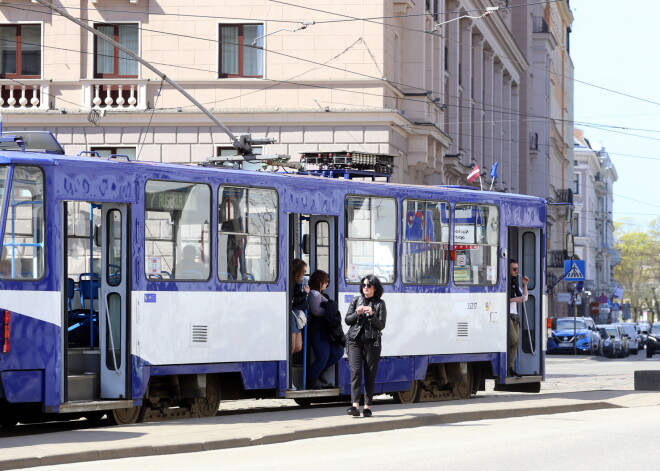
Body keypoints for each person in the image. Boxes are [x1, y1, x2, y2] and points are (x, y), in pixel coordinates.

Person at [344, 274, 386, 417]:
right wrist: (357, 313)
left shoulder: (380, 304)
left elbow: (381, 325)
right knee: (355, 372)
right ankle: (355, 406)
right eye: (364, 285)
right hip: (354, 341)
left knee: (370, 374)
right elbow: (348, 320)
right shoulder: (356, 301)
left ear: (375, 288)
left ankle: (367, 407)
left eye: (369, 285)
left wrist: (371, 315)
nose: (365, 288)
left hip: (372, 342)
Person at [307, 270, 344, 389]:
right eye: (325, 281)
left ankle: (319, 372)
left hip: (326, 331)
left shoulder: (320, 294)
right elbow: (316, 311)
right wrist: (331, 313)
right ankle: (311, 379)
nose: (327, 284)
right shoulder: (314, 294)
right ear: (319, 281)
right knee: (323, 357)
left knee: (338, 352)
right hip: (318, 331)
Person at [508, 259, 528, 377]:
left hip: (515, 315)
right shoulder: (506, 283)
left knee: (516, 343)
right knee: (514, 340)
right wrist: (515, 299)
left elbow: (524, 297)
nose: (516, 271)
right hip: (508, 315)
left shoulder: (515, 283)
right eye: (514, 269)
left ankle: (510, 367)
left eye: (517, 269)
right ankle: (508, 366)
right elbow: (503, 299)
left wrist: (525, 284)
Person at [290, 259, 309, 355]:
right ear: (298, 271)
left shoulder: (296, 283)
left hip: (296, 315)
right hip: (292, 314)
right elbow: (293, 300)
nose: (304, 274)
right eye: (304, 271)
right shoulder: (291, 283)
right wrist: (305, 293)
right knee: (293, 347)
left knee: (298, 347)